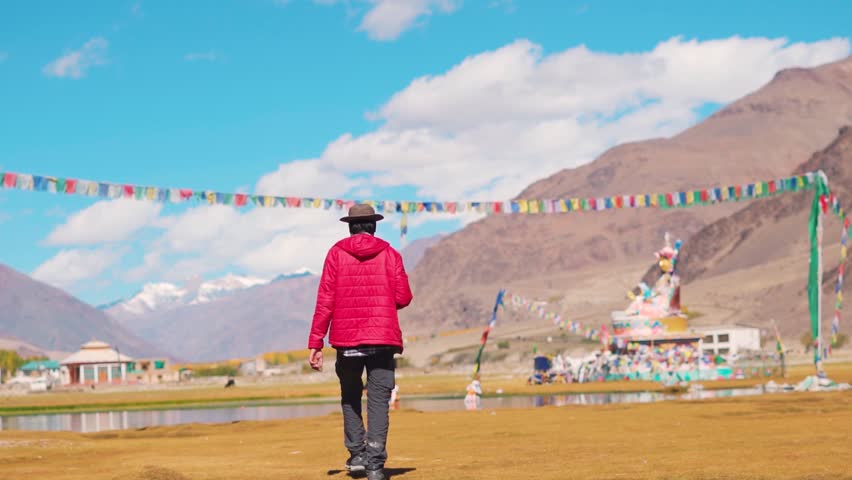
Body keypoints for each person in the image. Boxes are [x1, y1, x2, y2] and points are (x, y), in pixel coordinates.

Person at [307, 203, 413, 480]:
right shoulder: (391, 255)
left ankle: (356, 455)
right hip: (382, 339)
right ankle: (375, 466)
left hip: (347, 341)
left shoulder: (335, 254)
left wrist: (316, 342)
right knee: (378, 401)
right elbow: (403, 297)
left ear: (351, 227)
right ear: (374, 226)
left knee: (351, 396)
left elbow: (325, 300)